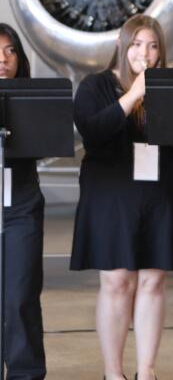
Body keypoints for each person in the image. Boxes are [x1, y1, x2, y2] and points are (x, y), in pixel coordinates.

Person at [71, 14, 173, 380]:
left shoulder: (166, 86)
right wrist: (134, 95)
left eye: (152, 45)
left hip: (161, 192)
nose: (144, 52)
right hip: (111, 195)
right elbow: (93, 133)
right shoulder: (95, 86)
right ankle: (114, 373)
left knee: (153, 281)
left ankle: (147, 372)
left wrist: (170, 94)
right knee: (116, 281)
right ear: (122, 45)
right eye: (136, 44)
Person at [0, 23, 47, 380]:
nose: (3, 59)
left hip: (21, 203)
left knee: (20, 295)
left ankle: (25, 373)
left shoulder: (33, 97)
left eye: (11, 50)